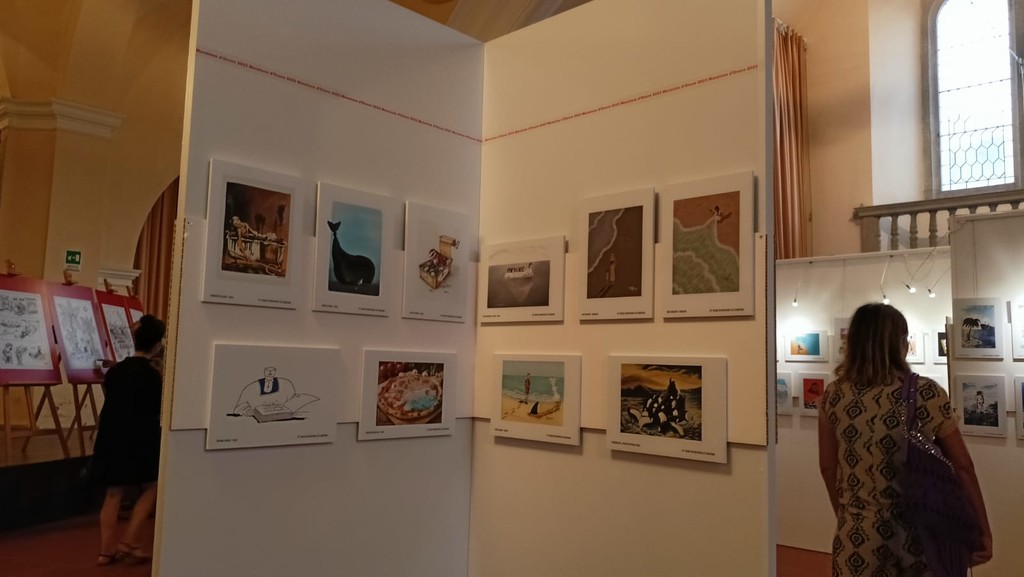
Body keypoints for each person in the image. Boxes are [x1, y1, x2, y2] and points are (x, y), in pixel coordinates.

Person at [818, 303, 992, 575]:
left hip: (856, 539)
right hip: (918, 537)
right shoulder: (926, 393)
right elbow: (963, 466)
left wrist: (848, 518)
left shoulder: (834, 394)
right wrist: (983, 532)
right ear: (900, 343)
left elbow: (828, 467)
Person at [91, 314, 166, 566]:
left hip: (112, 437)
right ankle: (130, 540)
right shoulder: (152, 375)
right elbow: (156, 408)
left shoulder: (115, 371)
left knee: (113, 493)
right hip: (140, 438)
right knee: (152, 486)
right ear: (157, 344)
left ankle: (105, 551)